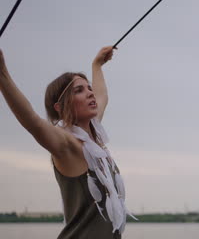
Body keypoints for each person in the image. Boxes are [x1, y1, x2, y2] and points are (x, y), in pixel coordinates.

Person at [0, 47, 134, 238]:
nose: (90, 93)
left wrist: (97, 65)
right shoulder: (67, 144)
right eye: (79, 90)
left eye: (89, 88)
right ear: (60, 107)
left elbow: (102, 95)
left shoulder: (93, 140)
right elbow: (32, 121)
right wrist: (2, 73)